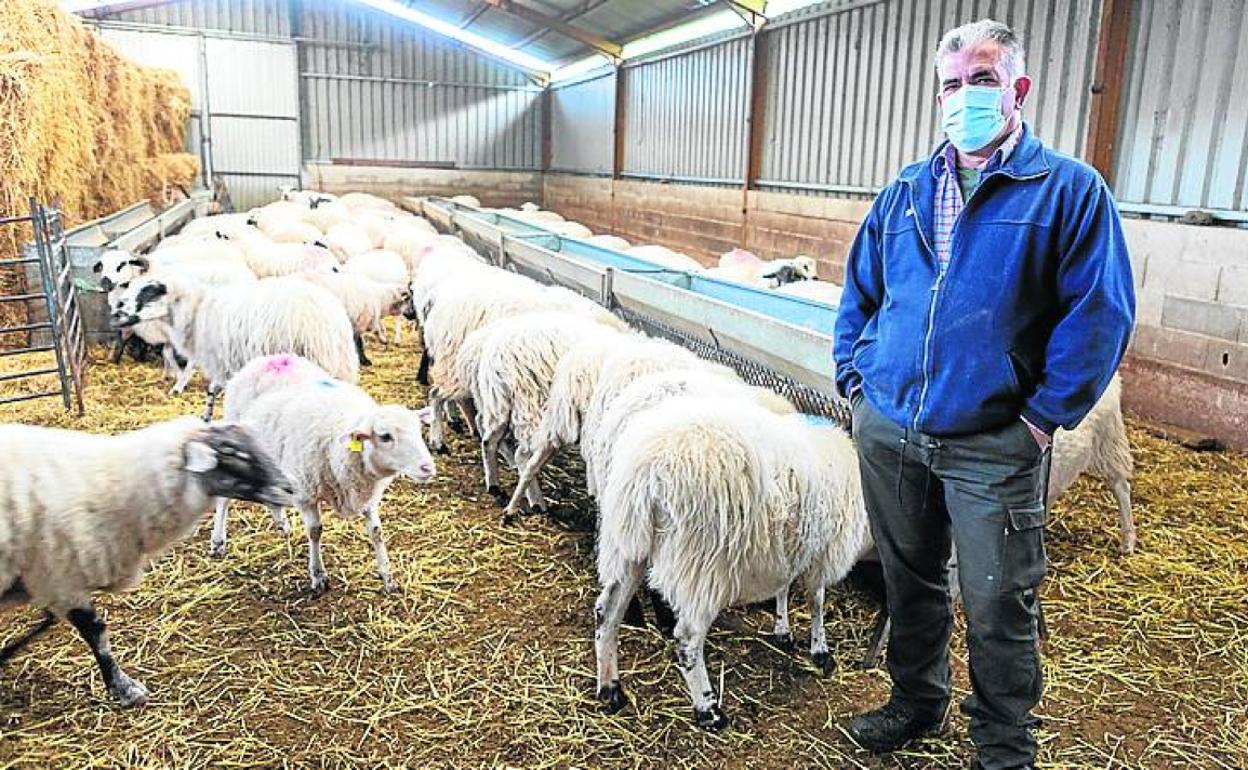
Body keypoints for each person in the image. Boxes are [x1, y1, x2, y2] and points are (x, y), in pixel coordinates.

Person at [832, 18, 1136, 770]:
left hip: (994, 440)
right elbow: (860, 291)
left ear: (1018, 89)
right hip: (892, 428)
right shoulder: (906, 188)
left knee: (1000, 600)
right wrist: (856, 382)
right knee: (908, 580)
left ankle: (1002, 745)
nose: (965, 95)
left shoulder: (1066, 191)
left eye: (983, 79)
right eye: (952, 83)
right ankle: (916, 701)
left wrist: (1039, 419)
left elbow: (1100, 313)